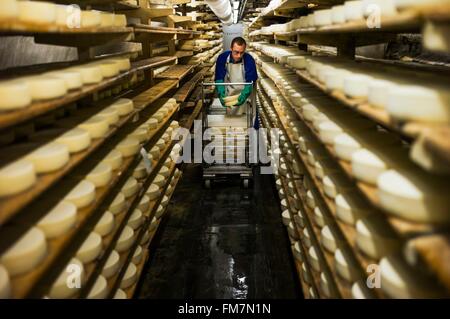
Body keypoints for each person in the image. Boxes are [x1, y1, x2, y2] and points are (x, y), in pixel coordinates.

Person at [214, 37, 258, 116]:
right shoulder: (223, 58)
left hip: (246, 95)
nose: (239, 56)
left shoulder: (249, 59)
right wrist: (220, 92)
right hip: (232, 93)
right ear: (231, 48)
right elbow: (219, 77)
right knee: (232, 120)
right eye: (236, 52)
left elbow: (251, 80)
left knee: (247, 119)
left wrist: (244, 95)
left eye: (242, 52)